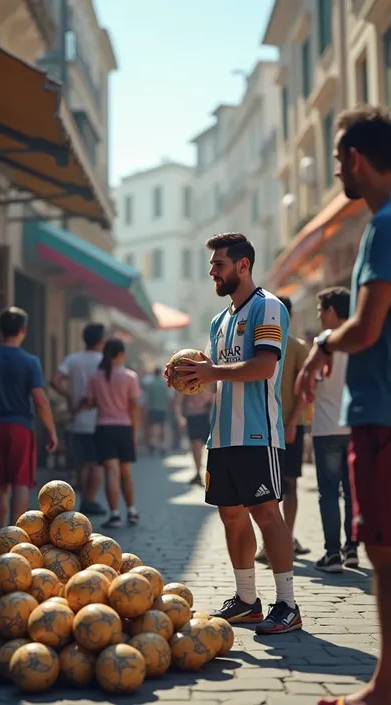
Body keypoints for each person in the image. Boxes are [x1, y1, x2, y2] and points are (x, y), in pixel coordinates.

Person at [295, 106, 391, 705]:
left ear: (354, 158)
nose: (335, 172)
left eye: (336, 159)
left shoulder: (383, 225)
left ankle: (383, 689)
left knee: (381, 549)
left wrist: (322, 345)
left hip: (380, 411)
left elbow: (367, 326)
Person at [168, 232, 301, 635]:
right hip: (222, 437)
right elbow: (219, 379)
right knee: (230, 516)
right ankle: (247, 601)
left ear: (243, 265)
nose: (212, 271)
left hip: (258, 435)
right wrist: (188, 377)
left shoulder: (268, 307)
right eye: (211, 264)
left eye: (219, 263)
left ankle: (289, 605)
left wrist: (210, 372)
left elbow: (263, 367)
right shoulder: (219, 320)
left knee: (266, 513)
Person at [0, 307, 58, 530]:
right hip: (21, 426)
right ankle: (15, 535)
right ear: (24, 330)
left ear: (0, 330)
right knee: (21, 483)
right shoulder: (30, 361)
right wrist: (51, 430)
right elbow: (40, 399)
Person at [256, 296, 309, 563]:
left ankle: (286, 538)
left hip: (289, 426)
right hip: (263, 425)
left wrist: (291, 423)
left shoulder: (298, 347)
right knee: (266, 488)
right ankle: (270, 542)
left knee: (289, 484)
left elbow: (305, 392)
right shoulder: (258, 345)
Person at [312, 287, 357, 572]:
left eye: (319, 311)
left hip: (326, 428)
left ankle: (332, 554)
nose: (318, 317)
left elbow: (311, 381)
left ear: (331, 311)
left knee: (328, 492)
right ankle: (351, 549)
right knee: (352, 491)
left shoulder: (324, 343)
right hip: (353, 426)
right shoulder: (358, 341)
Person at [51, 324, 106, 516]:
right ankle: (89, 500)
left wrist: (70, 396)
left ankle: (82, 500)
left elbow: (54, 380)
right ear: (101, 340)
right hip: (99, 418)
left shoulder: (72, 359)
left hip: (77, 418)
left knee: (81, 462)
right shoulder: (104, 361)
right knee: (96, 463)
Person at [87, 338, 140, 530]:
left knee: (111, 472)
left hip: (103, 428)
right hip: (124, 428)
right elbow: (134, 407)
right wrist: (135, 432)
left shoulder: (95, 377)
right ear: (121, 354)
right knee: (125, 473)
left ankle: (115, 514)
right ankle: (132, 511)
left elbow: (91, 402)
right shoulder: (130, 377)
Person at [174, 390, 214, 485]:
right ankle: (198, 473)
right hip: (194, 416)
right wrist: (179, 417)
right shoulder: (186, 380)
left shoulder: (210, 379)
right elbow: (178, 402)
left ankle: (205, 473)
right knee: (196, 445)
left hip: (208, 416)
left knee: (209, 446)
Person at [146, 367, 170, 455]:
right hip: (163, 408)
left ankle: (154, 444)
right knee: (162, 428)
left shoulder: (151, 384)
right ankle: (162, 446)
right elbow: (168, 397)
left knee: (154, 427)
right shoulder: (164, 384)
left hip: (153, 408)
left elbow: (147, 398)